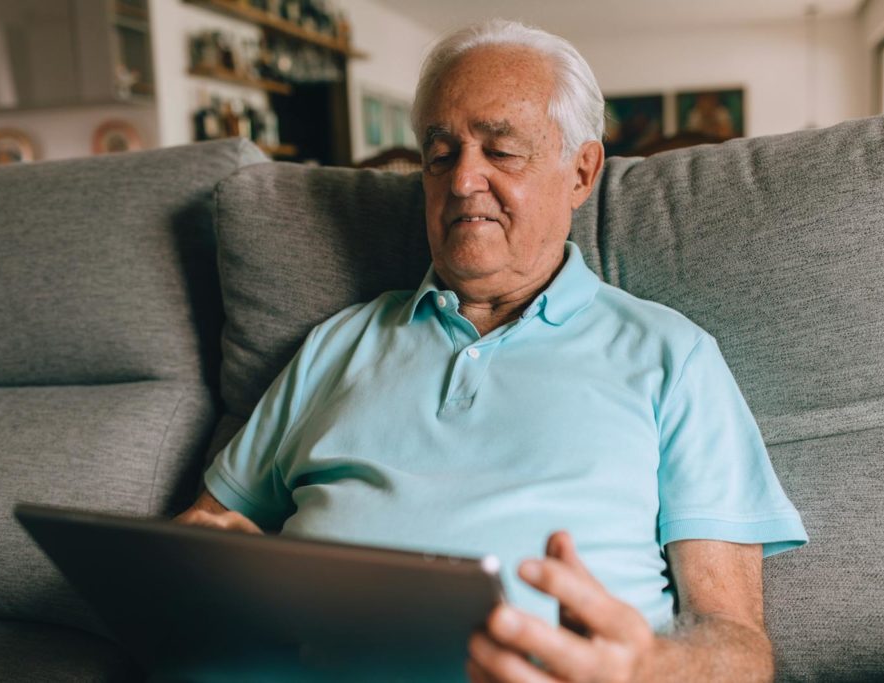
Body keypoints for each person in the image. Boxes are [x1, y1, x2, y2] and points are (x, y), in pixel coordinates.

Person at [176, 19, 807, 682]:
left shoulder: (672, 357)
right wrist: (212, 565)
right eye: (441, 154)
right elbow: (206, 527)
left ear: (581, 171)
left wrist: (652, 668)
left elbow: (737, 645)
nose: (462, 180)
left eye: (500, 150)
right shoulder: (338, 343)